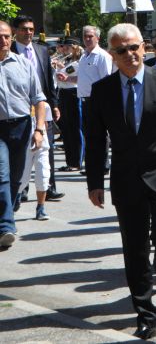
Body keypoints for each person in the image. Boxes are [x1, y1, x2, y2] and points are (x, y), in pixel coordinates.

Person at [85, 23, 156, 340]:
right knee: (134, 249)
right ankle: (145, 312)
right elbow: (94, 140)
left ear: (144, 48)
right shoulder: (103, 90)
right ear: (112, 54)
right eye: (122, 50)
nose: (130, 54)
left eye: (135, 47)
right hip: (126, 179)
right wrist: (94, 182)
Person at [0, 20, 47, 249]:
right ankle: (7, 226)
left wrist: (39, 129)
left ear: (11, 37)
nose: (3, 41)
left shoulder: (24, 64)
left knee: (17, 177)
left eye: (6, 36)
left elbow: (38, 99)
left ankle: (9, 205)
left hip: (21, 126)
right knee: (2, 173)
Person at [11, 15, 63, 202]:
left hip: (43, 108)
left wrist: (55, 105)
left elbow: (50, 81)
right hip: (19, 108)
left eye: (31, 29)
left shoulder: (41, 51)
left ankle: (49, 187)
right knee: (22, 149)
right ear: (15, 31)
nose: (28, 33)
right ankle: (21, 188)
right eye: (24, 29)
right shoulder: (9, 51)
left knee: (46, 147)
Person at [68, 26, 113, 173]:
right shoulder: (84, 56)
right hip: (85, 100)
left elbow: (106, 79)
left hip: (97, 100)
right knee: (90, 135)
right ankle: (93, 164)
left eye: (90, 36)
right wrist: (68, 78)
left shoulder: (102, 56)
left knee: (100, 134)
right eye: (85, 36)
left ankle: (103, 165)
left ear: (97, 38)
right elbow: (83, 78)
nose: (87, 39)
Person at [53, 37, 83, 171]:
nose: (64, 49)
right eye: (64, 47)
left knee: (75, 128)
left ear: (75, 47)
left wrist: (60, 68)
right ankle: (70, 161)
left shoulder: (78, 62)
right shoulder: (67, 60)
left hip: (73, 94)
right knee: (66, 129)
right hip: (64, 93)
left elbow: (65, 74)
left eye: (68, 47)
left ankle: (77, 161)